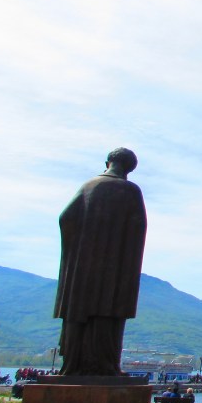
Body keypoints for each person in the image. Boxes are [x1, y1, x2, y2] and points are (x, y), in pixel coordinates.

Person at [55, 148, 147, 376]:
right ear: (129, 169)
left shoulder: (88, 186)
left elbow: (66, 218)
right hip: (114, 269)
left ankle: (72, 365)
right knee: (108, 312)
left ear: (107, 162)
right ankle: (105, 365)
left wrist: (76, 250)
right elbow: (138, 226)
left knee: (79, 311)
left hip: (81, 267)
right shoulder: (130, 190)